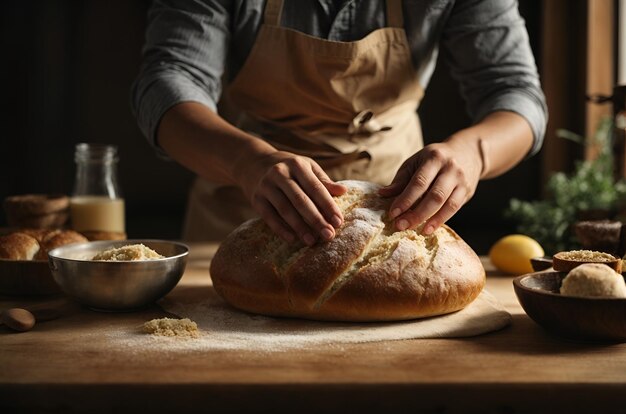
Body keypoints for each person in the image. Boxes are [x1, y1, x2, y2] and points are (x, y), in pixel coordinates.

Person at [132, 0, 547, 245]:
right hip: (242, 209)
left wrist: (471, 153)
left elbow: (515, 95)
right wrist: (247, 162)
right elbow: (166, 83)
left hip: (392, 221)